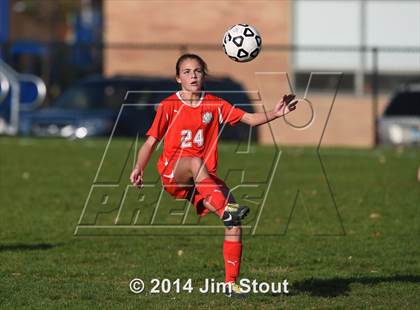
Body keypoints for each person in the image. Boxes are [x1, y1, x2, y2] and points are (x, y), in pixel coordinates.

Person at [130, 53, 297, 297]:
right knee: (197, 163)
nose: (193, 76)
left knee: (234, 223)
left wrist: (275, 112)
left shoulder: (215, 104)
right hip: (173, 173)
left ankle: (231, 284)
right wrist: (138, 167)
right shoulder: (169, 105)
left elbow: (249, 119)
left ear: (204, 74)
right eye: (186, 72)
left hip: (202, 179)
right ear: (178, 78)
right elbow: (150, 142)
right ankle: (224, 207)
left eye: (197, 71)